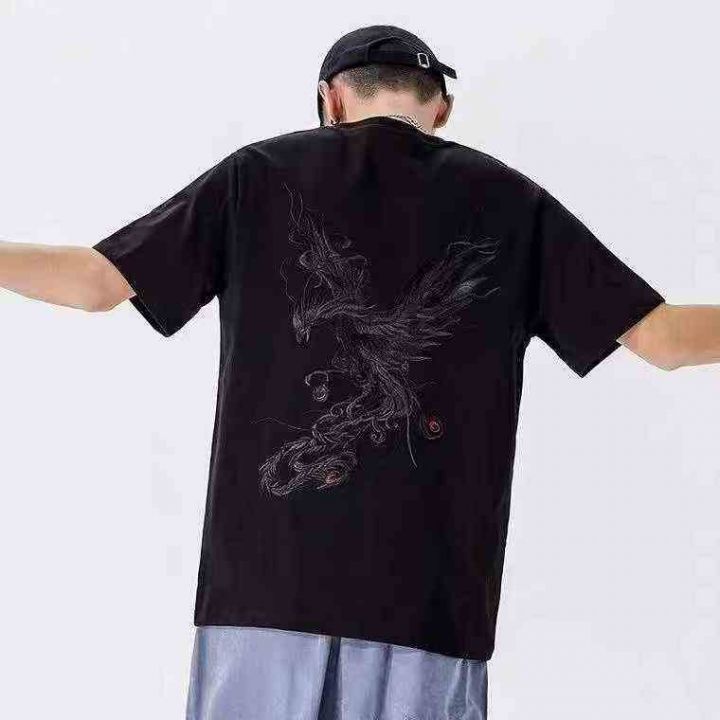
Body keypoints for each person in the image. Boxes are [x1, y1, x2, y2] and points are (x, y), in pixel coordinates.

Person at [1, 23, 718, 720]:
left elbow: (96, 282)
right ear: (441, 109)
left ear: (332, 100)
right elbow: (664, 339)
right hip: (427, 606)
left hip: (265, 593)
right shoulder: (511, 202)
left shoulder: (257, 176)